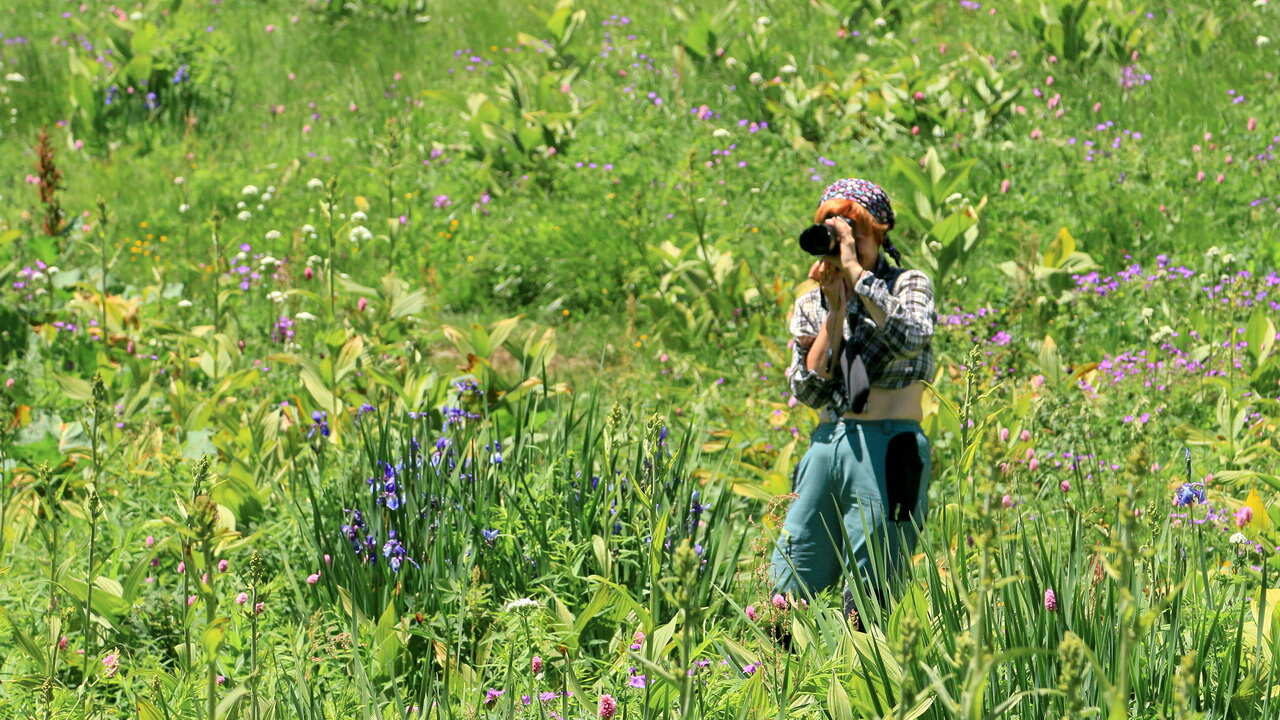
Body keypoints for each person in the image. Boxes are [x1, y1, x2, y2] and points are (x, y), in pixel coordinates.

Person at [770, 177, 936, 622]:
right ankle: (778, 662)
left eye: (853, 232)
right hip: (828, 443)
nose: (844, 243)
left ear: (879, 233)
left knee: (872, 589)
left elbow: (911, 337)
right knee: (790, 578)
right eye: (833, 231)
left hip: (892, 443)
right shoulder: (814, 303)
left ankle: (865, 663)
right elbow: (808, 388)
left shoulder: (907, 284)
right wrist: (836, 310)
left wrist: (859, 277)